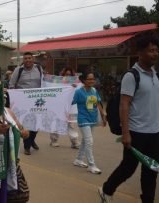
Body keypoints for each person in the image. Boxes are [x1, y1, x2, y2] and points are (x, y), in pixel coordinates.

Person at [99, 35, 159, 203]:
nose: (155, 54)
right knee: (128, 168)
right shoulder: (132, 76)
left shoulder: (155, 74)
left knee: (151, 170)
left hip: (154, 133)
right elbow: (124, 105)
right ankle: (106, 190)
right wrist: (126, 133)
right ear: (140, 52)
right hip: (137, 131)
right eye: (151, 50)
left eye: (156, 50)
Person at [72, 69, 107, 174]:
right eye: (89, 79)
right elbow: (69, 101)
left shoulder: (94, 91)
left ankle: (78, 159)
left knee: (85, 140)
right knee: (89, 141)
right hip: (83, 119)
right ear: (83, 80)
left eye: (93, 79)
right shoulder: (78, 92)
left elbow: (98, 104)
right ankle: (92, 165)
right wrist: (70, 90)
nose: (92, 81)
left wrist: (103, 116)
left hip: (92, 119)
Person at [9, 52, 44, 155]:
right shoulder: (18, 70)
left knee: (37, 123)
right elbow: (11, 84)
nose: (28, 60)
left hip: (37, 101)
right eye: (25, 58)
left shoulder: (39, 68)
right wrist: (14, 96)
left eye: (29, 58)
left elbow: (44, 82)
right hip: (23, 102)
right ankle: (27, 146)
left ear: (33, 59)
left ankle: (31, 139)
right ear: (23, 60)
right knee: (27, 123)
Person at [49, 68, 80, 148]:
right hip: (59, 107)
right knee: (57, 123)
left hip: (71, 107)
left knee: (70, 125)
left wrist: (74, 87)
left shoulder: (76, 84)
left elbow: (79, 92)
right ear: (63, 75)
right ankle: (54, 140)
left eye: (70, 75)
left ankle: (74, 142)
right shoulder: (58, 83)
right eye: (66, 74)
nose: (68, 76)